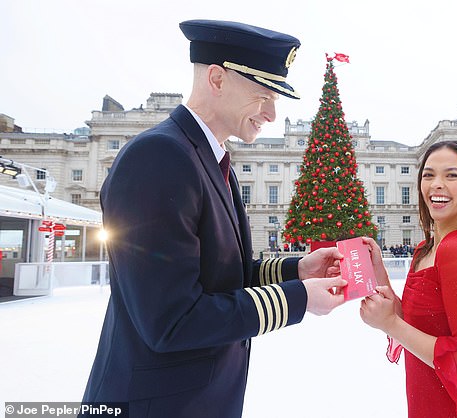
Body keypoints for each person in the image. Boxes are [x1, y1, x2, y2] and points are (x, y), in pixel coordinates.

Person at [81, 20, 347, 418]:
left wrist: (298, 270)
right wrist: (298, 299)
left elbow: (220, 275)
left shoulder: (210, 158)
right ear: (217, 78)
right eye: (263, 95)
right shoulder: (159, 157)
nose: (272, 114)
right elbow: (173, 320)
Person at [359, 140, 457, 417]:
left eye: (451, 175)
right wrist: (377, 271)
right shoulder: (425, 248)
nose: (436, 184)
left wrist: (390, 323)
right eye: (428, 175)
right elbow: (421, 326)